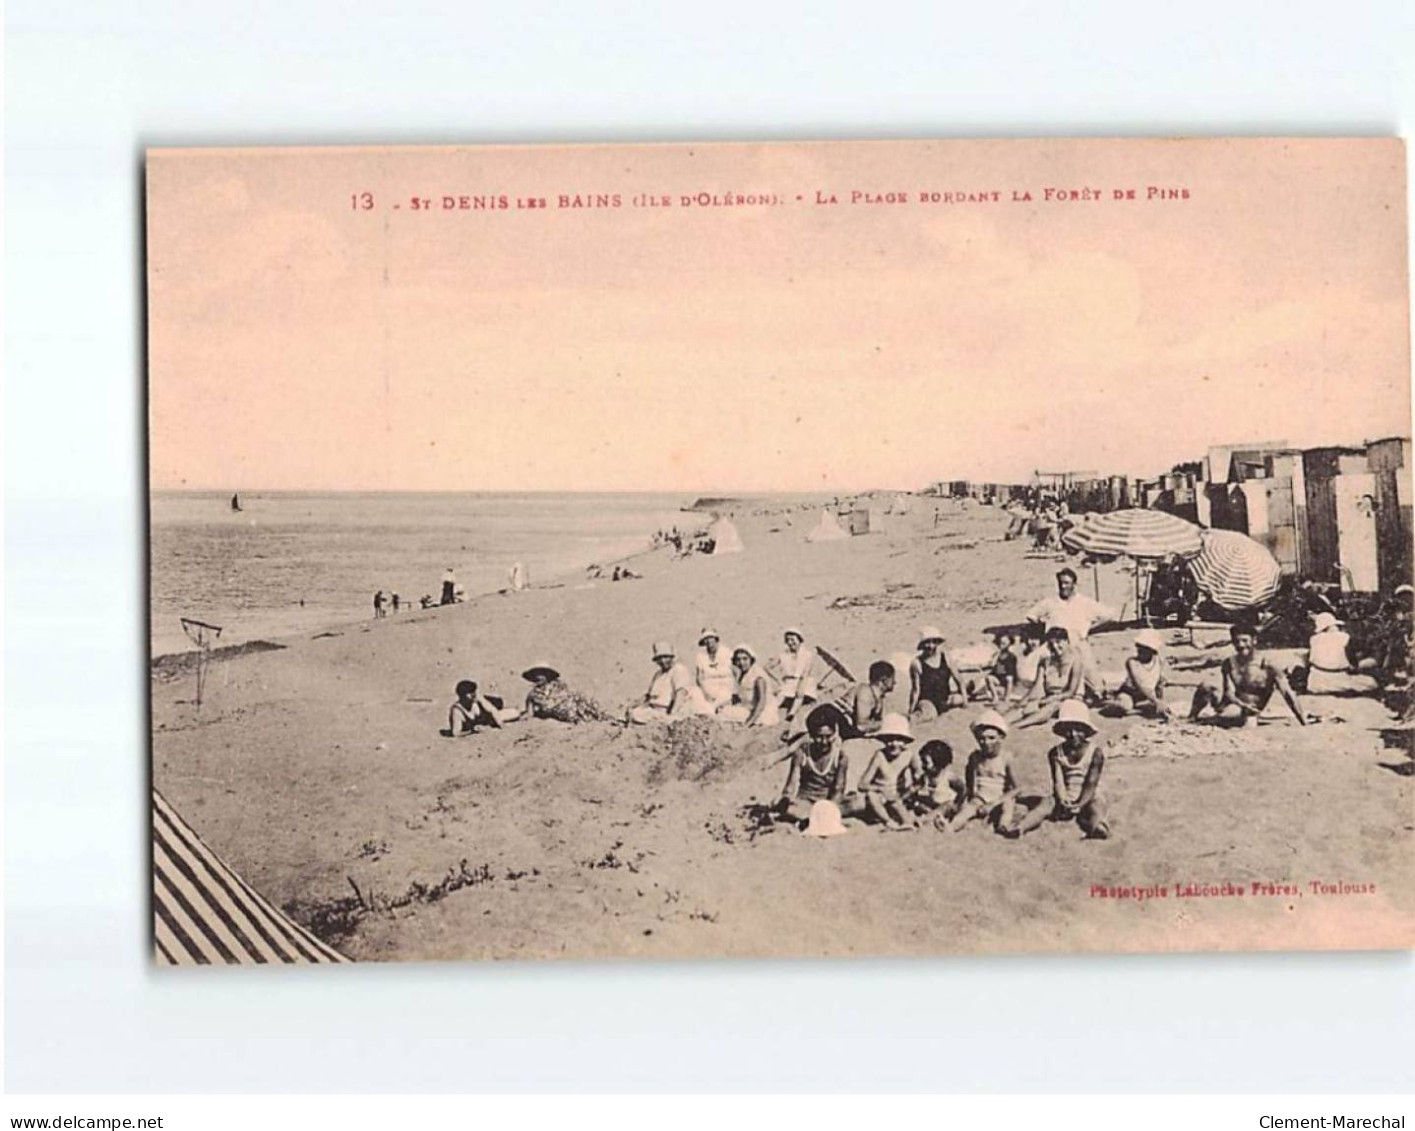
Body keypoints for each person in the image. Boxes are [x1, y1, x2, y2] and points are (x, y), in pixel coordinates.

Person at [1010, 699, 1110, 838]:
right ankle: (1021, 827)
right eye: (1068, 730)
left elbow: (1091, 783)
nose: (1073, 734)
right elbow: (1058, 781)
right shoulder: (1055, 753)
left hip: (1089, 793)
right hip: (1067, 791)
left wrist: (1080, 803)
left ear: (1086, 731)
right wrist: (1063, 799)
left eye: (1078, 730)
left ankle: (1098, 826)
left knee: (1096, 806)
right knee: (1045, 804)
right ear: (1062, 732)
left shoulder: (1095, 753)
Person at [1189, 623, 1308, 726]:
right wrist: (1241, 704)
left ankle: (1217, 719)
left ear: (1254, 640)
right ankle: (1192, 717)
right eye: (1236, 641)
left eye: (1245, 641)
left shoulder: (1269, 665)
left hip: (1251, 710)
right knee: (1207, 685)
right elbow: (1228, 693)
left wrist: (1302, 720)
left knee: (1237, 717)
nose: (1241, 645)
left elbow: (1287, 693)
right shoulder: (1229, 663)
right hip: (1234, 705)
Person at [1025, 567, 1114, 694]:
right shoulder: (1050, 602)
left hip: (1077, 643)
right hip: (1054, 644)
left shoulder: (1084, 602)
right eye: (1060, 583)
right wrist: (1045, 628)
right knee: (1033, 673)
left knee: (1096, 685)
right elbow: (1031, 615)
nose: (1063, 586)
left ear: (1074, 584)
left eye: (1067, 583)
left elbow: (1109, 615)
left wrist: (1090, 628)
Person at [944, 709, 1023, 834]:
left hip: (1000, 797)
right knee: (967, 810)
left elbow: (1018, 788)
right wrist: (971, 797)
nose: (986, 743)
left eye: (991, 738)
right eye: (981, 739)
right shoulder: (975, 757)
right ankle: (951, 827)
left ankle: (1004, 826)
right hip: (981, 797)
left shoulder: (1006, 758)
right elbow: (970, 778)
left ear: (1001, 737)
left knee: (1008, 806)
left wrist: (995, 803)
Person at [776, 704, 850, 824]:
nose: (824, 742)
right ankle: (813, 818)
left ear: (834, 734)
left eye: (828, 736)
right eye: (819, 737)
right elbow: (791, 785)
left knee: (859, 802)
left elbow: (838, 790)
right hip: (804, 802)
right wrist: (786, 799)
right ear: (810, 734)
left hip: (828, 803)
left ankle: (811, 819)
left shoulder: (840, 757)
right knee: (788, 807)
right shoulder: (802, 754)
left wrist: (828, 808)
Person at [849, 713, 921, 829]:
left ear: (905, 741)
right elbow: (862, 784)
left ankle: (907, 822)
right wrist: (880, 789)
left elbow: (920, 776)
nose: (893, 744)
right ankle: (888, 822)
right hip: (880, 797)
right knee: (871, 796)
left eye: (898, 740)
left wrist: (912, 786)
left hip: (899, 796)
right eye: (889, 740)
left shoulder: (909, 755)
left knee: (900, 802)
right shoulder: (880, 756)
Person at [1011, 627, 1087, 727]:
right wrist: (1024, 701)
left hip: (1070, 700)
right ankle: (1002, 723)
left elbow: (1071, 692)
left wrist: (1050, 699)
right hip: (1049, 698)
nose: (1055, 646)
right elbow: (1037, 687)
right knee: (1025, 708)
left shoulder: (1076, 660)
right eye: (1051, 644)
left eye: (1058, 642)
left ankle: (1019, 725)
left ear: (1066, 641)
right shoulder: (1045, 661)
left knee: (1052, 706)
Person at [1299, 612, 1379, 696]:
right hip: (1338, 679)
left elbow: (1310, 660)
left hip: (1315, 682)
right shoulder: (1344, 637)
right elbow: (1353, 663)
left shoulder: (1314, 639)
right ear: (1332, 625)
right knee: (1371, 682)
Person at [627, 641, 702, 725]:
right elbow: (649, 696)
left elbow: (680, 694)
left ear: (671, 657)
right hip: (654, 710)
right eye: (659, 658)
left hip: (668, 711)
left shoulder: (678, 670)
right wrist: (635, 704)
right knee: (634, 713)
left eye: (665, 657)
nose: (663, 661)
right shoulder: (658, 674)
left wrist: (672, 715)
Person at [517, 663, 610, 724]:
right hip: (564, 714)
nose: (538, 677)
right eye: (535, 675)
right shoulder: (533, 695)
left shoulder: (558, 685)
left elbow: (566, 695)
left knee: (589, 709)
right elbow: (530, 713)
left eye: (542, 674)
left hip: (572, 705)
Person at [1113, 628, 1174, 718]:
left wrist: (1161, 700)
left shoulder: (1159, 661)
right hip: (1130, 694)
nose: (1139, 650)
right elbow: (1140, 684)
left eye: (1143, 648)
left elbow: (1159, 683)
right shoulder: (1132, 662)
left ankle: (1139, 708)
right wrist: (1156, 701)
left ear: (1152, 650)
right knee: (1124, 706)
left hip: (1147, 696)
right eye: (1138, 647)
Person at [828, 660, 895, 739]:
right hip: (827, 719)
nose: (895, 682)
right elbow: (861, 726)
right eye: (892, 679)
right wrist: (887, 723)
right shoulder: (866, 692)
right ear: (884, 680)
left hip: (839, 726)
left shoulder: (878, 698)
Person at [908, 626, 965, 719]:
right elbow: (915, 690)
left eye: (933, 642)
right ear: (922, 645)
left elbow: (959, 680)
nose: (931, 646)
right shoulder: (917, 663)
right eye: (927, 643)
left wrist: (965, 703)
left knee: (958, 699)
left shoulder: (946, 657)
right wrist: (911, 709)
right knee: (930, 714)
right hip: (927, 700)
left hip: (945, 699)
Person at [719, 644, 780, 726]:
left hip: (762, 712)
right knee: (722, 710)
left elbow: (761, 702)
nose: (741, 663)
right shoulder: (743, 674)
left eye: (745, 659)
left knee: (725, 714)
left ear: (751, 660)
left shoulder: (758, 676)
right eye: (738, 660)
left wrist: (749, 722)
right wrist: (724, 703)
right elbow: (739, 697)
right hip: (749, 708)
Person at [768, 628, 820, 724]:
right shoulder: (783, 655)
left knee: (800, 693)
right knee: (779, 697)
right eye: (788, 640)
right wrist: (777, 679)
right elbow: (767, 667)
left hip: (803, 680)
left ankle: (791, 714)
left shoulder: (807, 654)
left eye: (793, 640)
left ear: (799, 640)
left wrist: (800, 686)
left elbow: (806, 672)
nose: (790, 642)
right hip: (788, 681)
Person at [907, 739, 965, 818]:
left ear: (938, 762)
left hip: (945, 806)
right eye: (922, 761)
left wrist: (957, 805)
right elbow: (915, 789)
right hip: (931, 806)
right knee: (916, 804)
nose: (922, 765)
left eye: (925, 762)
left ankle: (927, 819)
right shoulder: (925, 777)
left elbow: (963, 790)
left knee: (946, 806)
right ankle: (928, 816)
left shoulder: (948, 777)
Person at [445, 679, 514, 736]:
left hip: (487, 713)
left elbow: (492, 710)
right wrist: (471, 731)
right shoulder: (457, 710)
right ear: (462, 695)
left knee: (514, 713)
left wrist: (501, 725)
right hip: (484, 721)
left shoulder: (477, 698)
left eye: (474, 691)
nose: (473, 695)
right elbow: (456, 732)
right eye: (470, 693)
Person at [693, 629, 736, 712]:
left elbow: (736, 673)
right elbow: (698, 679)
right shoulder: (700, 656)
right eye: (706, 640)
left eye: (711, 638)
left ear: (716, 639)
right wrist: (705, 693)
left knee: (720, 701)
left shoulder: (727, 653)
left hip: (725, 689)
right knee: (695, 693)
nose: (709, 642)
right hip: (707, 692)